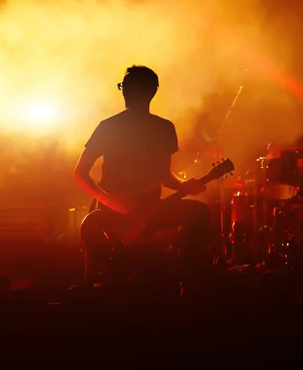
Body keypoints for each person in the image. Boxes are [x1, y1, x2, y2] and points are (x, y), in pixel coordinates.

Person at [73, 65, 214, 281]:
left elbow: (165, 176)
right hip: (115, 214)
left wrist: (185, 185)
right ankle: (189, 280)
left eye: (126, 87)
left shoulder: (156, 128)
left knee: (200, 213)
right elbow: (80, 174)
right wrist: (112, 202)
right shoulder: (156, 128)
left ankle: (188, 279)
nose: (124, 91)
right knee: (200, 213)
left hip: (150, 211)